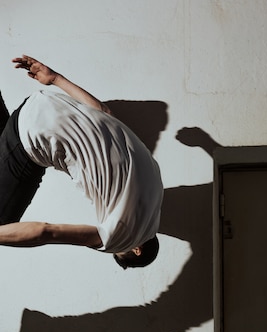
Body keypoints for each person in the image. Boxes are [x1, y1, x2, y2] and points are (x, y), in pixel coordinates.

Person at [0, 55, 163, 269]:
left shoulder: (156, 183)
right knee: (4, 226)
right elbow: (46, 232)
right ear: (136, 249)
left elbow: (104, 112)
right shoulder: (124, 238)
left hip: (46, 103)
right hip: (34, 135)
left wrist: (55, 78)